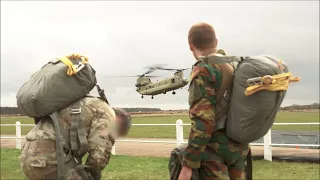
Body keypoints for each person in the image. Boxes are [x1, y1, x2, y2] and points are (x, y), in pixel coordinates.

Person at [178, 22, 250, 180]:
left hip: (215, 152)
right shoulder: (234, 64)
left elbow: (203, 120)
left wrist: (188, 164)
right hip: (238, 148)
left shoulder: (204, 70)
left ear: (191, 46)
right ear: (216, 42)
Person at [20, 96, 132, 180]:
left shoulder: (84, 103)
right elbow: (98, 158)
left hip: (27, 155)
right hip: (49, 160)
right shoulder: (108, 115)